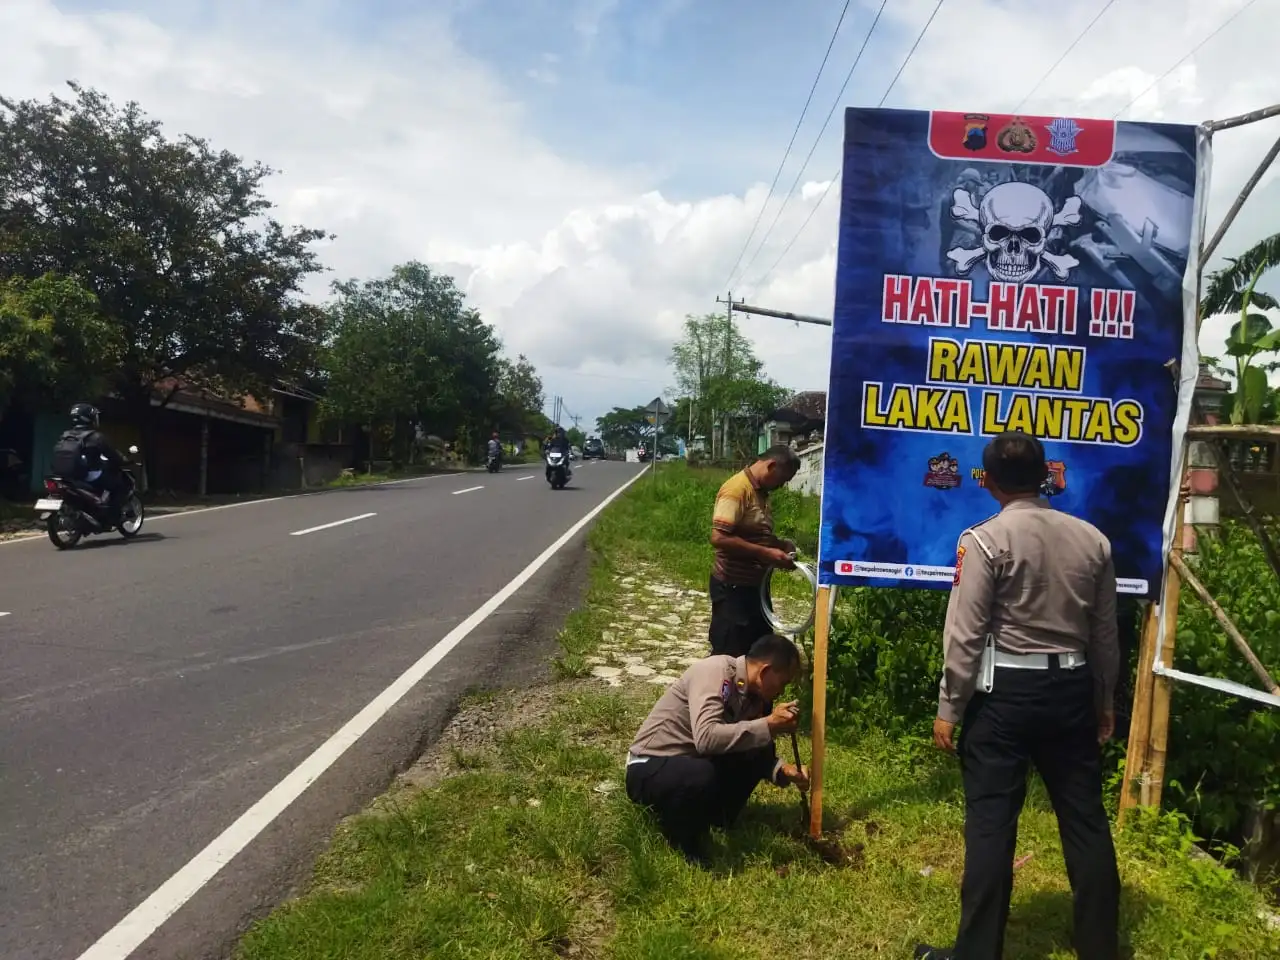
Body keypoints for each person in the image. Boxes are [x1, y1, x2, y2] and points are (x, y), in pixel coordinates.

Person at [915, 430, 1121, 960]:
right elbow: (1104, 635)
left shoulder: (983, 540)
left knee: (990, 825)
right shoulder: (1093, 540)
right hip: (1072, 689)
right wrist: (1103, 701)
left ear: (989, 482)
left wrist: (949, 706)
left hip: (1004, 695)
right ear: (1046, 475)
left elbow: (964, 633)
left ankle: (977, 953)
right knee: (1084, 820)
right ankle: (1099, 947)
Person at [626, 633, 809, 865]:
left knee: (747, 741)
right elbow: (706, 738)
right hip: (650, 766)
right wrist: (768, 724)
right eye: (782, 683)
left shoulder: (752, 697)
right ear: (765, 671)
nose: (781, 692)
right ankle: (685, 845)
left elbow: (747, 745)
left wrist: (785, 770)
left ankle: (715, 818)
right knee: (701, 774)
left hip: (689, 762)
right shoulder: (716, 672)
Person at [708, 444, 802, 657]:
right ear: (771, 466)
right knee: (729, 652)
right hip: (732, 588)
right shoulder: (737, 489)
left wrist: (779, 545)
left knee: (756, 650)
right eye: (783, 479)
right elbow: (719, 537)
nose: (782, 486)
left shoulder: (761, 493)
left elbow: (755, 534)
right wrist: (765, 554)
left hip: (754, 588)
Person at [50, 402, 126, 519]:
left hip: (66, 475)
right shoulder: (95, 437)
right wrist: (121, 460)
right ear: (88, 418)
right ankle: (113, 516)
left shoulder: (65, 435)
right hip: (87, 475)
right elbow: (112, 454)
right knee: (117, 484)